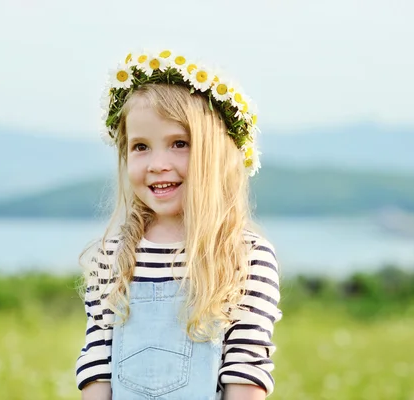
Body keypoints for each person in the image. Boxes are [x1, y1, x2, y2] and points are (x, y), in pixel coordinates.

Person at [75, 49, 282, 400]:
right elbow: (96, 369)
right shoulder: (112, 255)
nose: (158, 163)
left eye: (179, 144)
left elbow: (246, 374)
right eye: (141, 146)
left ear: (215, 154)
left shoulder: (244, 256)